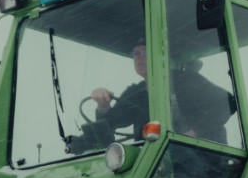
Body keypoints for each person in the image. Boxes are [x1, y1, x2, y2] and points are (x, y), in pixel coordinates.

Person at [90, 42, 234, 143]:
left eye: (144, 52)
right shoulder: (137, 93)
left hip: (202, 160)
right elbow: (109, 125)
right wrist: (103, 106)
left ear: (160, 55)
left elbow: (227, 103)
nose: (138, 57)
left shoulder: (185, 80)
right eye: (135, 54)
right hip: (155, 163)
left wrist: (194, 132)